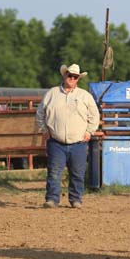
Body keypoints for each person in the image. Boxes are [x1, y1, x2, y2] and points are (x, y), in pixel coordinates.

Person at [36, 64, 100, 209]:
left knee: (77, 173)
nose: (72, 78)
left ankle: (76, 199)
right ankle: (52, 199)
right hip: (56, 141)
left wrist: (89, 131)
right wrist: (44, 130)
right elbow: (40, 113)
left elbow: (94, 116)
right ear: (64, 75)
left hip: (78, 142)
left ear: (78, 79)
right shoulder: (51, 94)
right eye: (70, 75)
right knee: (54, 172)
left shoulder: (84, 96)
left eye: (75, 77)